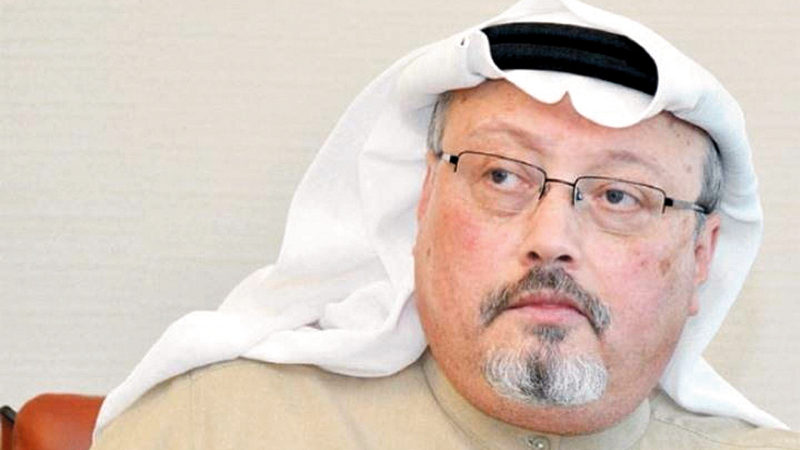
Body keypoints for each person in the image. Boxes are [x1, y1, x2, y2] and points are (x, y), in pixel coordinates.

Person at [90, 0, 798, 448]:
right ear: (423, 201)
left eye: (619, 196)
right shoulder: (208, 429)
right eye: (502, 176)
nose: (551, 239)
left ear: (702, 256)